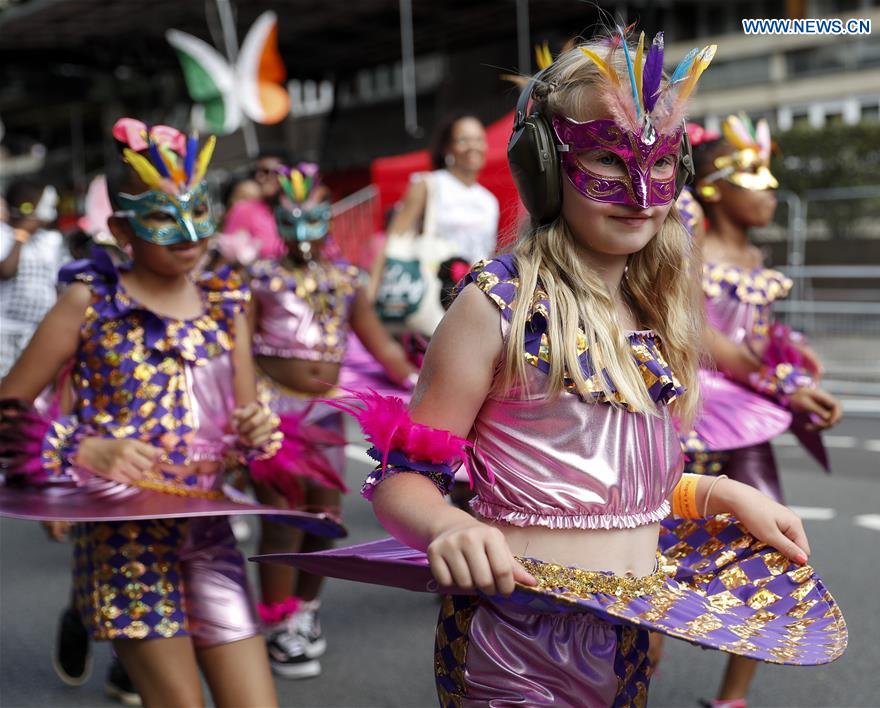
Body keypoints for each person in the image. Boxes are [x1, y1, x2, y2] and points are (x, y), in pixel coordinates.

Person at [258, 29, 847, 707]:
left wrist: (719, 496)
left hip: (627, 631)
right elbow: (403, 481)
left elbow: (605, 477)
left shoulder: (654, 311)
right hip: (514, 642)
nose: (639, 188)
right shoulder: (494, 306)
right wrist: (449, 526)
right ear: (544, 163)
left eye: (658, 163)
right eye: (605, 157)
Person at [0, 119, 344, 707]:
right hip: (122, 542)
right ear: (121, 228)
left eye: (198, 209)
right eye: (162, 215)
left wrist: (258, 433)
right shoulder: (88, 301)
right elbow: (8, 408)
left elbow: (243, 424)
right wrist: (81, 450)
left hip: (209, 532)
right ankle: (88, 613)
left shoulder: (227, 302)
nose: (188, 232)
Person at [680, 115, 843, 708]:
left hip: (745, 423)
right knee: (650, 550)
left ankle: (732, 701)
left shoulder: (755, 255)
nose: (771, 191)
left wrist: (796, 365)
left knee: (776, 550)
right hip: (687, 416)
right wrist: (782, 382)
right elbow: (701, 334)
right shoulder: (687, 234)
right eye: (757, 178)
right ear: (715, 186)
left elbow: (761, 339)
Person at [247, 162, 418, 679]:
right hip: (272, 408)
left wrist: (418, 383)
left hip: (324, 409)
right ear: (277, 222)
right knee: (282, 514)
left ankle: (304, 610)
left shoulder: (345, 279)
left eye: (313, 219)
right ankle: (277, 623)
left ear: (327, 221)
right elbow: (234, 347)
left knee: (323, 515)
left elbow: (380, 342)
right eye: (292, 220)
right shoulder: (259, 278)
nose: (303, 232)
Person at [368, 113, 499, 300]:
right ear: (447, 148)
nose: (473, 146)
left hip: (475, 295)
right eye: (463, 140)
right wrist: (372, 293)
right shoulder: (428, 185)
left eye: (478, 139)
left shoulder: (489, 201)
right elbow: (393, 240)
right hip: (433, 294)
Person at [0, 180, 68, 379]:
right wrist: (21, 235)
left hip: (37, 331)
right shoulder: (4, 236)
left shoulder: (51, 241)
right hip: (5, 330)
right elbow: (6, 271)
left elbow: (59, 284)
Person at [220, 150, 290, 261]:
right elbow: (225, 259)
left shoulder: (297, 210)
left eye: (269, 172)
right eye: (258, 171)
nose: (260, 177)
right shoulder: (243, 210)